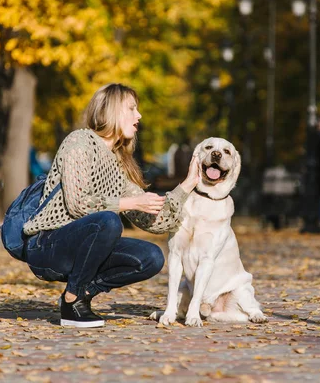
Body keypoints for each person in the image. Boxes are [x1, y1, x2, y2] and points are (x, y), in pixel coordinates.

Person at [22, 83, 200, 328]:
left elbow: (156, 223)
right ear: (111, 110)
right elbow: (78, 204)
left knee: (151, 257)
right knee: (108, 221)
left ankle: (78, 295)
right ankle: (73, 301)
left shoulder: (119, 164)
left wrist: (188, 185)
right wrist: (129, 202)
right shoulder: (79, 142)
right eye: (131, 109)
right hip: (48, 244)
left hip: (86, 245)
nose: (139, 116)